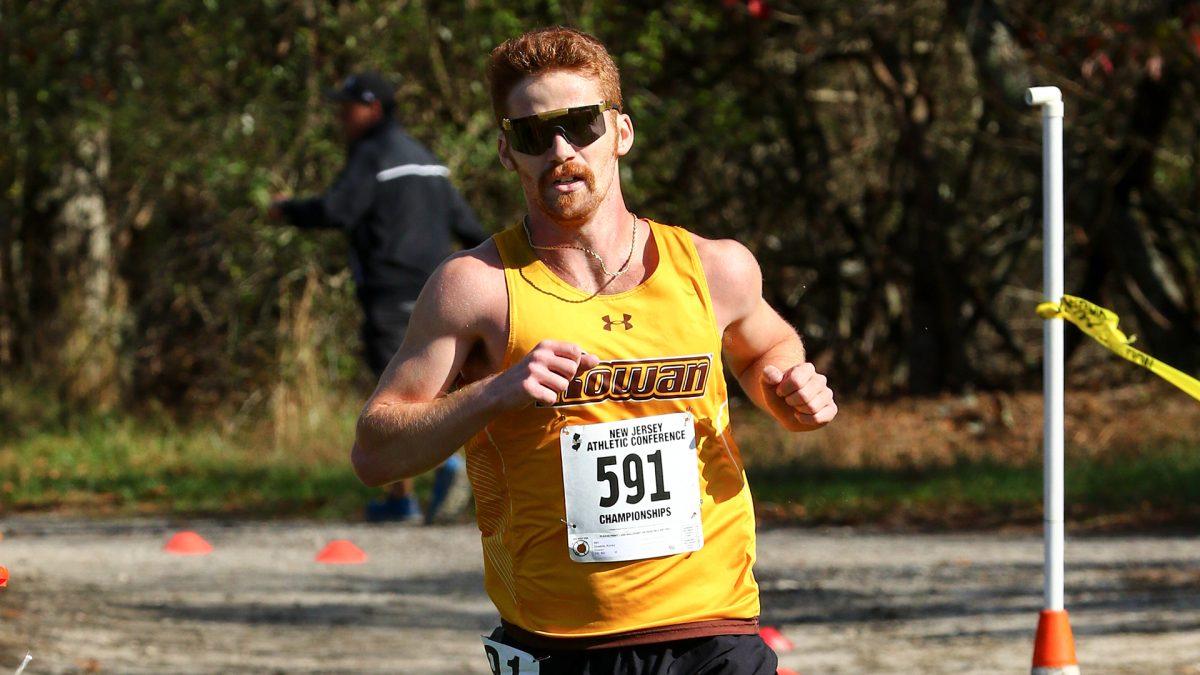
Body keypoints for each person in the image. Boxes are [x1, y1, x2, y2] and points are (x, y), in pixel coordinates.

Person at [351, 27, 837, 674]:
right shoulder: (476, 288)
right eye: (532, 134)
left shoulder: (715, 268)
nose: (560, 151)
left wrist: (789, 389)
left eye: (579, 125)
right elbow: (376, 452)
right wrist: (495, 391)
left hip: (716, 629)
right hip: (564, 643)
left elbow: (767, 344)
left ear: (621, 133)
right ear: (506, 152)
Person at [269, 71, 485, 524]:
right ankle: (407, 494)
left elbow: (337, 209)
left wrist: (287, 209)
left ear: (374, 109)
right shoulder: (428, 161)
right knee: (429, 389)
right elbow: (469, 229)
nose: (341, 118)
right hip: (439, 296)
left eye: (347, 108)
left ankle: (439, 473)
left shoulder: (371, 155)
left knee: (394, 400)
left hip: (389, 293)